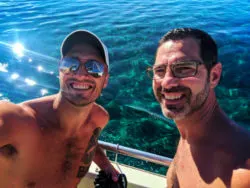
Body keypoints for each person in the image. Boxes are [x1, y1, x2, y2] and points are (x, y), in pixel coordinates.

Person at [0, 30, 119, 187]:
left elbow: (90, 141)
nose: (81, 74)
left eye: (94, 67)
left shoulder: (98, 118)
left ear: (105, 80)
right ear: (60, 72)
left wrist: (106, 166)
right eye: (71, 65)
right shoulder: (17, 121)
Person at [147, 28, 250, 187]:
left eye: (184, 68)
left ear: (214, 76)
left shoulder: (242, 176)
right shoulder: (188, 136)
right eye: (159, 71)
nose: (167, 82)